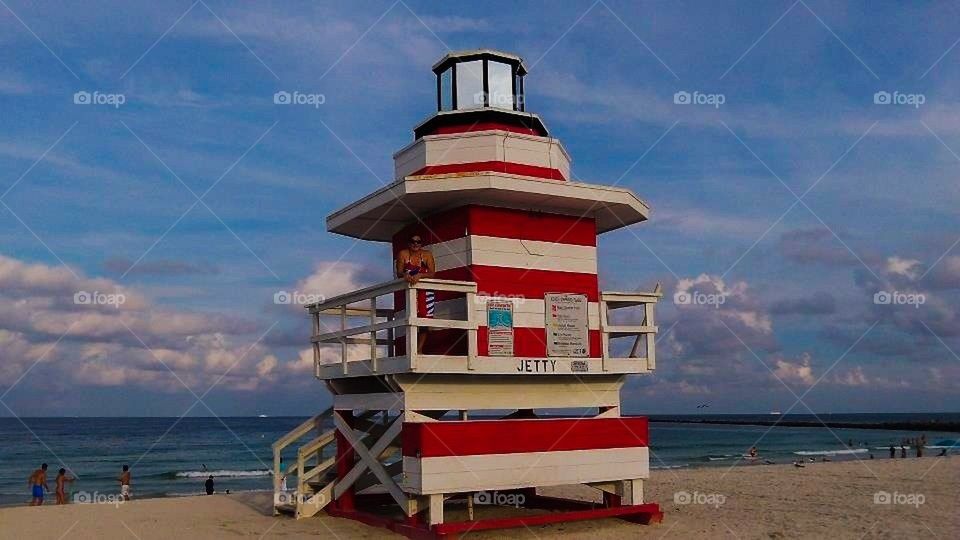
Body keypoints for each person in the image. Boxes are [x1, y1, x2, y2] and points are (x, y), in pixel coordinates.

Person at [395, 235, 436, 353]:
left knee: (425, 319)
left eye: (418, 241)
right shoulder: (403, 254)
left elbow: (432, 273)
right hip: (410, 290)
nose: (415, 244)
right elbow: (399, 272)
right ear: (408, 243)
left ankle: (419, 349)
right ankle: (411, 348)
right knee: (412, 316)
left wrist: (420, 275)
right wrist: (405, 275)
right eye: (412, 241)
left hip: (426, 291)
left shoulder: (427, 254)